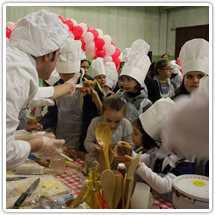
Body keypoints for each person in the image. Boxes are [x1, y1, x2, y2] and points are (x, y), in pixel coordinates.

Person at [6, 10, 74, 170]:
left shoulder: (15, 62)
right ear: (47, 54)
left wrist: (66, 87)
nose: (57, 62)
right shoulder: (18, 72)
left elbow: (32, 94)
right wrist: (38, 144)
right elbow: (6, 154)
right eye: (58, 55)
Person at [121, 98, 194, 202]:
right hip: (155, 201)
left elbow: (163, 186)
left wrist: (139, 167)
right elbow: (144, 158)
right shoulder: (163, 153)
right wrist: (128, 151)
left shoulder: (185, 164)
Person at [38, 39, 103, 152]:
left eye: (67, 74)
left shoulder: (89, 84)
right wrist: (41, 125)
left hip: (83, 138)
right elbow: (53, 111)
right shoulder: (58, 84)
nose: (63, 77)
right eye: (60, 74)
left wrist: (82, 146)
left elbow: (91, 116)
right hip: (61, 136)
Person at [118, 50, 152, 123]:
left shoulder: (145, 103)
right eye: (123, 80)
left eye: (128, 80)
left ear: (138, 81)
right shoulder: (120, 97)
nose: (125, 83)